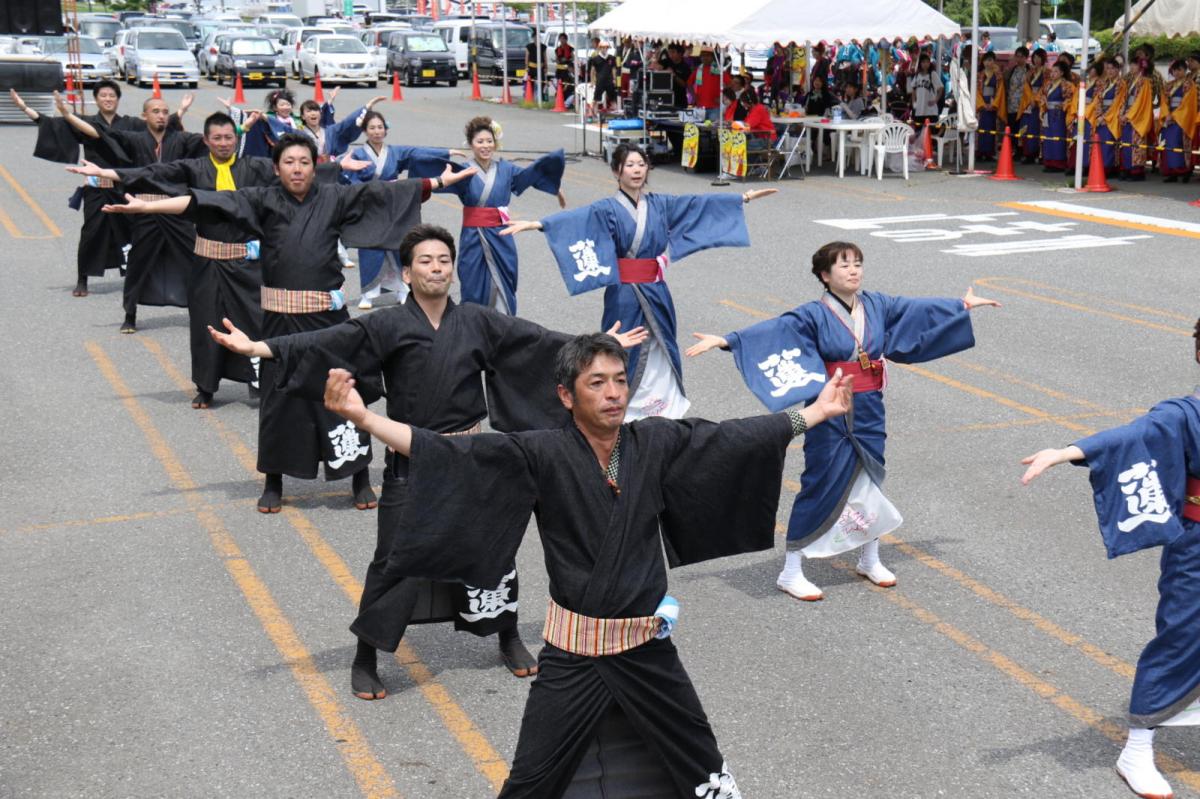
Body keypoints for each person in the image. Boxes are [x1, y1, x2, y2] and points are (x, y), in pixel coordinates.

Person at [321, 331, 855, 795]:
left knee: (702, 764)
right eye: (596, 383)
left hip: (647, 648)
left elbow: (734, 438)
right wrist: (363, 416)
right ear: (565, 395)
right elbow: (451, 451)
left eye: (620, 380)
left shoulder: (656, 441)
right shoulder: (541, 452)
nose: (613, 393)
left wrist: (815, 411)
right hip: (574, 651)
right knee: (532, 777)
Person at [208, 223, 647, 698]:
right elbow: (329, 342)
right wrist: (261, 348)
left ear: (452, 269)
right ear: (408, 271)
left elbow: (537, 342)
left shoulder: (478, 320)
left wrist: (596, 347)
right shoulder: (388, 323)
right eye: (425, 261)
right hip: (412, 457)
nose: (436, 268)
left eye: (443, 260)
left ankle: (507, 635)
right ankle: (367, 653)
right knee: (394, 560)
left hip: (473, 457)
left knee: (493, 550)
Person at [102, 132, 477, 513]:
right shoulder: (262, 199)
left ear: (315, 167)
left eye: (304, 162)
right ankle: (274, 481)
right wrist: (149, 208)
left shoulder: (334, 197)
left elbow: (383, 193)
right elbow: (210, 201)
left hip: (329, 319)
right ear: (276, 167)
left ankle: (360, 477)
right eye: (289, 162)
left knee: (346, 393)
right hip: (280, 321)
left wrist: (440, 182)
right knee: (279, 400)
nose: (297, 169)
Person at [687, 241, 1000, 601]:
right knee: (820, 478)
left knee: (871, 476)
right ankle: (791, 570)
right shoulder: (811, 314)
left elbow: (916, 310)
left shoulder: (877, 305)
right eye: (843, 265)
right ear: (825, 275)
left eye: (857, 264)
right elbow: (774, 331)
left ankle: (870, 557)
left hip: (869, 404)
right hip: (830, 404)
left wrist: (960, 305)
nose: (853, 271)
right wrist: (727, 341)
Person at [1020, 321, 1200, 799]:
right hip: (1199, 543)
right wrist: (1067, 452)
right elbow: (1133, 435)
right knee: (1184, 634)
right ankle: (1137, 748)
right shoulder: (1184, 414)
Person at [502, 143, 775, 421]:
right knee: (623, 348)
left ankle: (665, 408)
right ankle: (625, 409)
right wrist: (539, 224)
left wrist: (743, 198)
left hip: (656, 291)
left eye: (641, 164)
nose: (636, 170)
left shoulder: (661, 204)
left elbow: (696, 204)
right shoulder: (607, 209)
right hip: (624, 294)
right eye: (629, 165)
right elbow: (578, 220)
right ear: (616, 171)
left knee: (660, 345)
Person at [66, 111, 291, 408]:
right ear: (206, 141)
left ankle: (258, 381)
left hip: (248, 265)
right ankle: (206, 387)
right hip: (207, 263)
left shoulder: (256, 167)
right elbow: (154, 172)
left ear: (237, 139)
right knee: (205, 324)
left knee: (255, 321)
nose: (224, 143)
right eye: (217, 138)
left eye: (229, 138)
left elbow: (290, 170)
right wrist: (112, 174)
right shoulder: (195, 168)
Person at [11, 80, 182, 298]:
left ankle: (137, 275)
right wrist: (25, 108)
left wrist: (181, 111)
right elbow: (52, 124)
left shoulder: (131, 124)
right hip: (96, 189)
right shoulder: (86, 122)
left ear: (118, 100)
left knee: (134, 232)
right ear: (97, 99)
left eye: (112, 96)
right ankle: (83, 278)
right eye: (103, 96)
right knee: (91, 233)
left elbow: (160, 127)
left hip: (125, 189)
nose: (108, 99)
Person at [54, 91, 206, 334]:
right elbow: (99, 133)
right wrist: (67, 115)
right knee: (138, 261)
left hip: (176, 210)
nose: (161, 115)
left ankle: (202, 311)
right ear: (144, 116)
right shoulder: (135, 140)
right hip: (144, 210)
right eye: (155, 111)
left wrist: (241, 128)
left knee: (196, 261)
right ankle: (130, 314)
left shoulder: (181, 140)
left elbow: (213, 141)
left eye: (165, 112)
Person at [341, 110, 458, 309]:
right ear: (365, 131)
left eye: (380, 127)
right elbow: (348, 180)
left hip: (394, 206)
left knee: (398, 246)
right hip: (370, 206)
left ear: (386, 130)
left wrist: (446, 153)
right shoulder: (358, 154)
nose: (376, 132)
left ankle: (403, 289)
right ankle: (368, 294)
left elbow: (416, 153)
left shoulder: (394, 152)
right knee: (369, 248)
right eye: (372, 128)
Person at [1159, 59, 1196, 183]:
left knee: (1182, 144)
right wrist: (1167, 115)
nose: (1176, 72)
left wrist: (1174, 116)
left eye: (1179, 70)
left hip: (1182, 119)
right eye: (1174, 70)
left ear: (1185, 70)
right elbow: (1163, 102)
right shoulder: (1168, 85)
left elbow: (1188, 104)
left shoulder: (1189, 84)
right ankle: (1173, 172)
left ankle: (1185, 171)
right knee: (1170, 145)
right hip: (1170, 118)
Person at [1119, 58, 1156, 181]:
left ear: (1141, 67)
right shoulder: (1130, 81)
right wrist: (1122, 113)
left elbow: (1140, 102)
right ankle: (1128, 169)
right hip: (1128, 114)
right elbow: (1124, 99)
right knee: (1127, 145)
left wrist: (1128, 115)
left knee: (1136, 145)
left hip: (1137, 117)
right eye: (1131, 65)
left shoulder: (1144, 82)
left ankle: (1137, 171)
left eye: (1134, 65)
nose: (1132, 67)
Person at [1038, 59, 1076, 173]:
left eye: (1055, 72)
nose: (1052, 74)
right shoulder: (1048, 84)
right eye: (1052, 71)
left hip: (1059, 115)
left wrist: (1063, 104)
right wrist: (1043, 103)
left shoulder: (1067, 85)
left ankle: (1058, 163)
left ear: (1061, 73)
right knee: (1048, 137)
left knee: (1058, 138)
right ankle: (1048, 161)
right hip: (1048, 113)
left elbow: (1071, 99)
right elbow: (1042, 95)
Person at [975, 51, 1006, 161]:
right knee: (981, 127)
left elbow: (1000, 90)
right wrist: (982, 104)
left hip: (993, 102)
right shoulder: (979, 75)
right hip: (982, 102)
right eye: (986, 60)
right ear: (982, 62)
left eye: (991, 60)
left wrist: (994, 104)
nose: (988, 63)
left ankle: (989, 152)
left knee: (992, 127)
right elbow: (976, 91)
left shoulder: (998, 75)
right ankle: (979, 151)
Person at [908, 53, 942, 132]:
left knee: (931, 134)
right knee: (919, 133)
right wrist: (914, 102)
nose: (925, 64)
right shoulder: (917, 76)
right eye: (923, 62)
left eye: (927, 62)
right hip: (919, 110)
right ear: (920, 63)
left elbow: (941, 88)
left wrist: (935, 100)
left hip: (931, 110)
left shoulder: (933, 74)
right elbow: (913, 89)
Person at [687, 47, 723, 122]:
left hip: (715, 108)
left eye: (707, 55)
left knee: (713, 131)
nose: (704, 58)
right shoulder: (698, 69)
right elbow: (689, 84)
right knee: (701, 131)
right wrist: (694, 96)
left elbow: (729, 84)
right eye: (702, 56)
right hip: (700, 107)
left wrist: (722, 97)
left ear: (712, 57)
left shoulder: (718, 69)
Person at [588, 40, 618, 114]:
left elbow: (613, 69)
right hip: (600, 81)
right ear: (599, 48)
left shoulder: (611, 58)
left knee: (613, 98)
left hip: (609, 80)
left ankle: (616, 113)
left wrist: (614, 79)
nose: (604, 49)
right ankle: (591, 113)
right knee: (596, 98)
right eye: (602, 47)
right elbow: (592, 71)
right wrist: (592, 81)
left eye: (606, 47)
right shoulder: (595, 59)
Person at [659, 44, 692, 109]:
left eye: (673, 52)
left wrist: (674, 75)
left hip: (680, 101)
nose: (670, 54)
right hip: (665, 100)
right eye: (669, 52)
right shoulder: (667, 61)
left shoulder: (685, 67)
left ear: (680, 53)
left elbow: (684, 84)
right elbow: (654, 66)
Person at [554, 33, 576, 106]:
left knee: (567, 85)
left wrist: (567, 59)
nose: (562, 40)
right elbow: (557, 59)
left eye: (563, 39)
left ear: (566, 40)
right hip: (559, 70)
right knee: (558, 84)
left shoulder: (570, 48)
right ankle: (559, 99)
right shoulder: (557, 49)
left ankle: (566, 101)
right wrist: (557, 61)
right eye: (561, 39)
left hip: (567, 69)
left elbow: (573, 57)